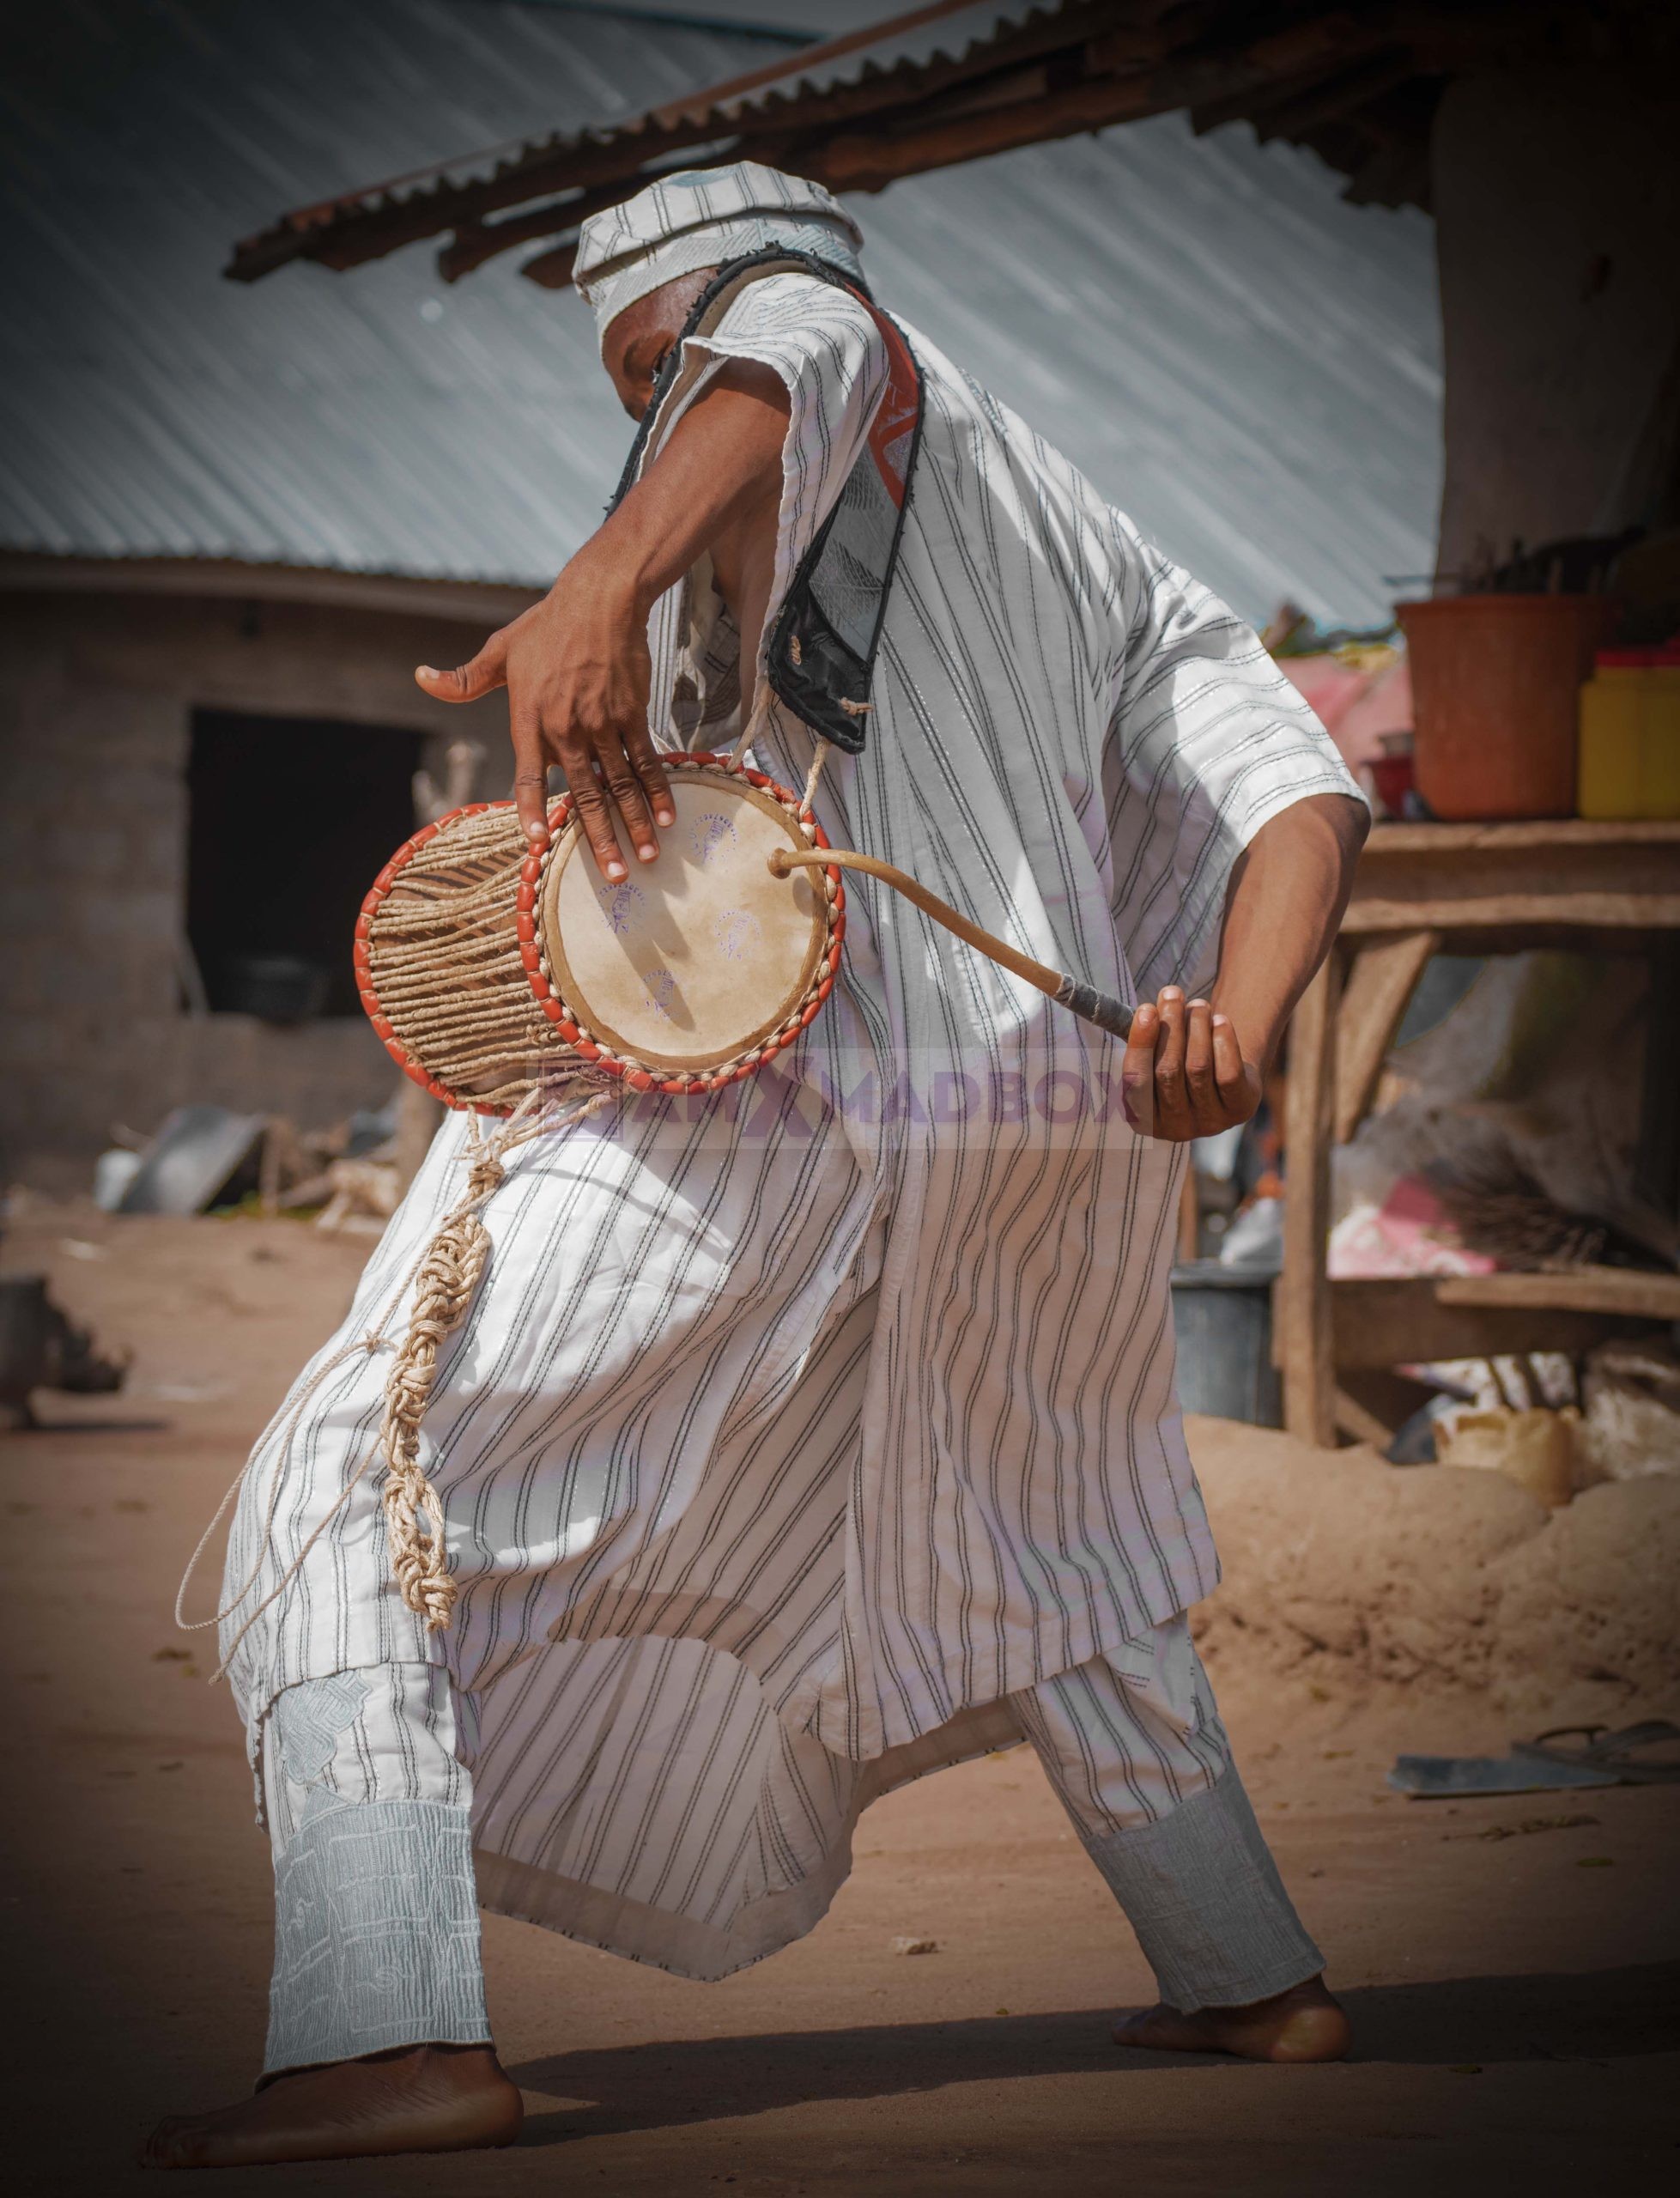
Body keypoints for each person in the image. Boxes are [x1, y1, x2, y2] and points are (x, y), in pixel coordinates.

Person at [143, 162, 1368, 2171]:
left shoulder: (830, 356)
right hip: (1035, 1134)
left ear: (719, 319)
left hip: (803, 1084)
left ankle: (383, 2031)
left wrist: (606, 577)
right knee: (1039, 1519)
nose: (655, 408)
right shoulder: (1130, 574)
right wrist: (1228, 1030)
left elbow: (806, 328)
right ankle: (1248, 1970)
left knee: (359, 1472)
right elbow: (1302, 790)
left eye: (658, 361)